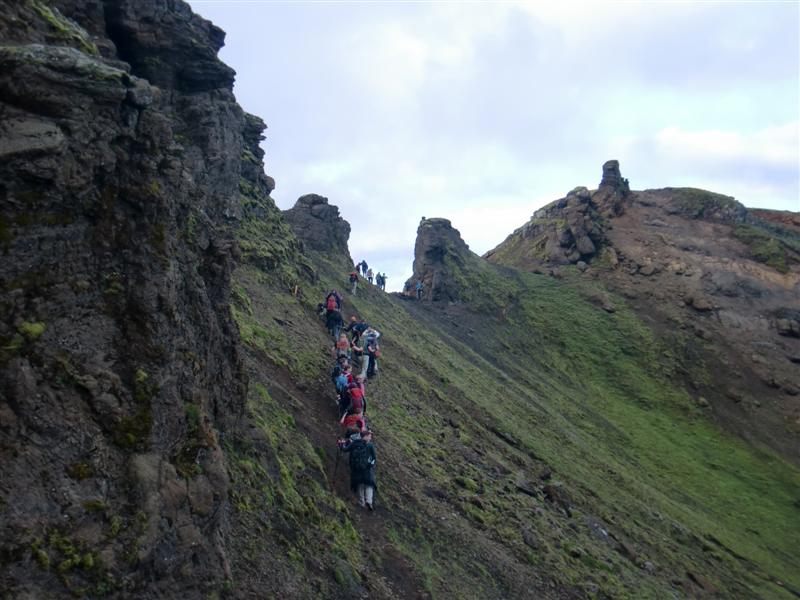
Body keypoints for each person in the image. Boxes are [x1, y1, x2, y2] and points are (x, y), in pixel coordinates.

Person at [342, 430, 377, 510]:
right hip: (367, 468)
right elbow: (374, 458)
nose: (370, 437)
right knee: (369, 484)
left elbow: (345, 449)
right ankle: (369, 501)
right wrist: (371, 465)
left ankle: (362, 502)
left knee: (360, 484)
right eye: (370, 436)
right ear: (365, 436)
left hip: (356, 468)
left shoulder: (355, 443)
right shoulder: (370, 445)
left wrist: (341, 444)